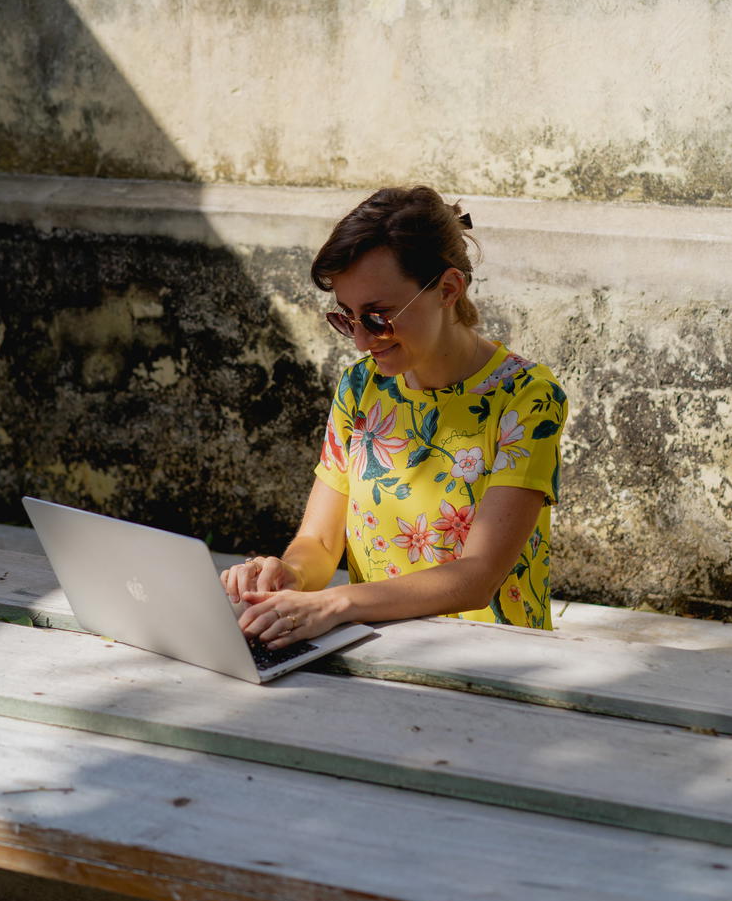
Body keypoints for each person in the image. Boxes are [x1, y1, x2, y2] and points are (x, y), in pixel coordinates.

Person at [221, 185, 567, 648]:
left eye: (379, 317)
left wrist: (335, 603)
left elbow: (477, 577)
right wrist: (291, 574)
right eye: (347, 317)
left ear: (447, 289)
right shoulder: (361, 387)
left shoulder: (526, 399)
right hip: (376, 650)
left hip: (495, 662)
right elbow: (322, 543)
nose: (362, 341)